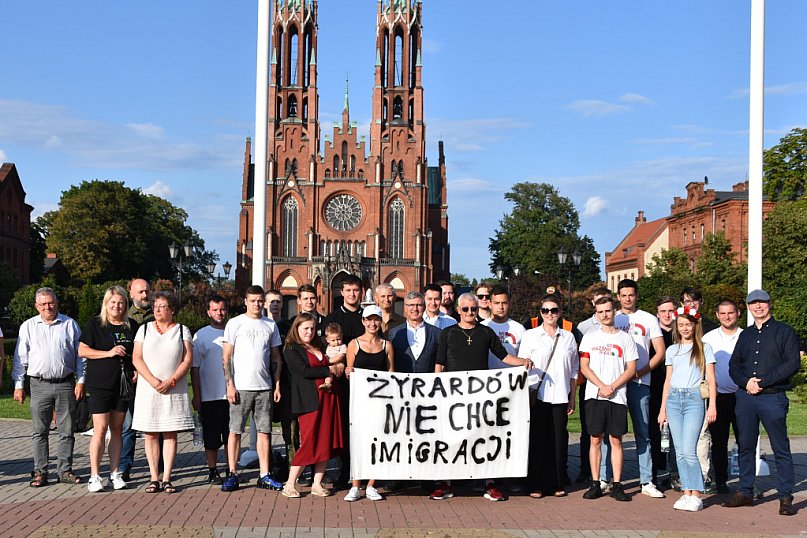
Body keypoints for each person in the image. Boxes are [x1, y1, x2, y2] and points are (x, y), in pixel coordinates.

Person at [432, 293, 532, 502]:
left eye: (474, 309)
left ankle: (489, 483)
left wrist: (522, 361)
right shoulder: (448, 333)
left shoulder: (486, 332)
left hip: (480, 396)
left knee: (484, 439)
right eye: (466, 309)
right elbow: (439, 363)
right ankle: (445, 483)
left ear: (478, 310)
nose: (470, 313)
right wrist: (437, 391)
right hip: (454, 396)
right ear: (459, 310)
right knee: (451, 439)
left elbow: (503, 356)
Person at [723, 290, 800, 516]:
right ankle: (745, 492)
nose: (758, 307)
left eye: (762, 303)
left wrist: (763, 382)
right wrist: (746, 382)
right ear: (748, 307)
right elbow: (734, 365)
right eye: (753, 303)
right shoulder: (745, 335)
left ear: (769, 304)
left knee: (780, 448)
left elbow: (792, 363)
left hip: (772, 397)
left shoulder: (784, 331)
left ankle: (785, 496)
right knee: (745, 445)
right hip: (746, 398)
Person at [12, 287, 84, 487]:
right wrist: (19, 385)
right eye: (43, 304)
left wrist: (81, 381)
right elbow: (20, 359)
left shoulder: (70, 325)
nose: (47, 307)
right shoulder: (28, 327)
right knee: (39, 431)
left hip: (65, 384)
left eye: (50, 302)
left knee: (67, 430)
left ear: (57, 302)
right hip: (39, 384)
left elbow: (81, 356)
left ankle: (65, 471)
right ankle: (40, 472)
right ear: (36, 306)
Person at [221, 285, 284, 493]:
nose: (257, 304)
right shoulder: (235, 323)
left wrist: (276, 385)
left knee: (265, 432)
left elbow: (276, 358)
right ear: (245, 301)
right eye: (253, 300)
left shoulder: (270, 325)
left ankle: (264, 474)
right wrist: (230, 384)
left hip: (264, 387)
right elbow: (226, 356)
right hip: (240, 388)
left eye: (260, 300)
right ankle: (232, 473)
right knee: (235, 431)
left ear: (264, 302)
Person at [131, 291, 194, 494]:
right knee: (150, 433)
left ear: (172, 310)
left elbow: (187, 359)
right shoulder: (144, 329)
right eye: (155, 306)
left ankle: (167, 477)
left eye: (162, 306)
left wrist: (172, 379)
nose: (157, 309)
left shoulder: (183, 331)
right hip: (149, 389)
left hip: (173, 389)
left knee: (169, 433)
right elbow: (137, 358)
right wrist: (153, 381)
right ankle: (153, 478)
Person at [78, 286, 139, 492]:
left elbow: (139, 353)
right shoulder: (96, 324)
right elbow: (82, 350)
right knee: (100, 429)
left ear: (126, 304)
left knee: (118, 430)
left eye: (121, 302)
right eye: (113, 302)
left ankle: (115, 473)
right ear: (106, 304)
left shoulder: (131, 325)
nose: (117, 306)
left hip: (122, 385)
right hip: (100, 383)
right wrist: (108, 353)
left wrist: (137, 370)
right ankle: (95, 475)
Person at [579, 296, 638, 502]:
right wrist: (601, 386)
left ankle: (617, 484)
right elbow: (584, 366)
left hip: (617, 396)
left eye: (608, 310)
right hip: (595, 394)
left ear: (615, 311)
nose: (605, 315)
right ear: (596, 314)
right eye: (601, 311)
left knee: (616, 440)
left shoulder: (625, 338)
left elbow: (631, 368)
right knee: (595, 439)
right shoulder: (590, 337)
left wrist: (612, 386)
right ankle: (595, 483)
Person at [657, 306, 717, 512]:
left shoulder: (704, 348)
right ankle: (686, 492)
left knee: (690, 450)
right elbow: (667, 380)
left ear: (694, 325)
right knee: (680, 451)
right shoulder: (672, 350)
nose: (684, 328)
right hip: (674, 399)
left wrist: (712, 406)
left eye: (688, 324)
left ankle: (697, 493)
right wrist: (662, 409)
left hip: (693, 399)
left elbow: (711, 379)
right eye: (681, 324)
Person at [519, 295, 579, 498]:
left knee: (558, 440)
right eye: (545, 310)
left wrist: (572, 397)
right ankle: (535, 483)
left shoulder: (568, 337)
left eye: (553, 310)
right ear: (540, 313)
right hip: (538, 395)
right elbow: (522, 365)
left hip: (561, 395)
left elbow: (574, 371)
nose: (549, 314)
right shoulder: (531, 335)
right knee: (538, 440)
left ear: (560, 313)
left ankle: (556, 481)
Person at [282, 313, 346, 498]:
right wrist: (328, 369)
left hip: (329, 398)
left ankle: (317, 483)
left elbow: (331, 362)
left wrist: (337, 368)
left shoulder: (318, 345)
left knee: (325, 440)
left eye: (312, 328)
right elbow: (302, 371)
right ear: (297, 329)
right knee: (309, 441)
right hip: (309, 400)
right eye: (305, 329)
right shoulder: (291, 348)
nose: (309, 332)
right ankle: (290, 483)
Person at [613, 279, 666, 498]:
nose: (627, 299)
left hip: (640, 383)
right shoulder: (612, 317)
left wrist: (641, 372)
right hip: (615, 384)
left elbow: (660, 352)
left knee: (643, 433)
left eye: (631, 295)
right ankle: (608, 478)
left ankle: (646, 481)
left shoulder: (648, 319)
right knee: (612, 433)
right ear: (618, 296)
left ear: (636, 296)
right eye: (623, 295)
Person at [343, 305, 395, 502]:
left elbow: (392, 376)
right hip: (359, 403)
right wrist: (349, 373)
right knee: (358, 442)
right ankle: (356, 485)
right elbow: (350, 372)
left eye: (376, 320)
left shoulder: (386, 345)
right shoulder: (354, 344)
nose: (372, 323)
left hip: (380, 403)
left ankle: (372, 484)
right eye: (369, 319)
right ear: (363, 321)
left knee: (378, 442)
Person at [323, 274, 365, 489]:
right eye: (348, 290)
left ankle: (364, 471)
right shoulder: (332, 318)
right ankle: (343, 470)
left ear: (362, 292)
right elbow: (326, 351)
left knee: (362, 427)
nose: (352, 294)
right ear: (342, 292)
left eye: (356, 290)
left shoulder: (366, 318)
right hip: (341, 383)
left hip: (363, 381)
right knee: (342, 427)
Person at [702, 299, 742, 494]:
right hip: (717, 397)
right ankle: (721, 482)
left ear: (738, 314)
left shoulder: (747, 336)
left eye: (731, 313)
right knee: (719, 442)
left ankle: (746, 482)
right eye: (723, 313)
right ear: (717, 315)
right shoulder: (708, 338)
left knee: (746, 441)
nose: (727, 317)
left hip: (742, 396)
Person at [191, 295, 230, 485]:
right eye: (215, 310)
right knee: (211, 436)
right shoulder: (200, 335)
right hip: (209, 395)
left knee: (231, 434)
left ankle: (231, 469)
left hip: (231, 394)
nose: (219, 313)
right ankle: (212, 469)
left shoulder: (233, 332)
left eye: (222, 309)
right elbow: (195, 367)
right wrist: (197, 395)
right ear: (208, 312)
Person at [575, 286, 612, 483]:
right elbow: (580, 359)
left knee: (611, 433)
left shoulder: (618, 325)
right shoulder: (583, 327)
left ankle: (607, 473)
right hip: (590, 384)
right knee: (589, 430)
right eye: (598, 301)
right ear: (592, 303)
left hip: (612, 386)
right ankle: (585, 469)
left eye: (606, 301)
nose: (602, 306)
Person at [120, 278, 154, 482]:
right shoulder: (125, 317)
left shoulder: (157, 314)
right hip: (132, 378)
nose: (145, 295)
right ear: (130, 294)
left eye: (147, 291)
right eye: (140, 292)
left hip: (154, 377)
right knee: (128, 424)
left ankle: (158, 465)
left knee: (155, 425)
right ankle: (125, 465)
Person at [652, 296, 678, 489]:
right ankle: (653, 472)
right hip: (655, 388)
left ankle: (675, 473)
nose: (667, 315)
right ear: (657, 314)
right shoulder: (653, 335)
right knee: (655, 433)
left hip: (678, 390)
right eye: (663, 311)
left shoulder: (683, 332)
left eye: (671, 311)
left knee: (675, 435)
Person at [388, 291, 441, 373]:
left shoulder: (437, 333)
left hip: (428, 384)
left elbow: (440, 363)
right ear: (405, 308)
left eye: (419, 305)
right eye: (411, 305)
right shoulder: (394, 333)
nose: (415, 309)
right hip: (401, 383)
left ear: (424, 307)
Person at [481, 286, 526, 369]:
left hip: (513, 379)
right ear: (490, 304)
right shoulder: (482, 327)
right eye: (497, 303)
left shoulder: (519, 329)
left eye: (504, 303)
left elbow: (525, 358)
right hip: (488, 379)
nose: (501, 307)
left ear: (509, 304)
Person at [321, 323, 347, 391]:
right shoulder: (328, 347)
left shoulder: (343, 346)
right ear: (327, 340)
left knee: (329, 369)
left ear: (342, 336)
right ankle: (327, 384)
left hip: (339, 365)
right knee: (328, 372)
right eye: (333, 340)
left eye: (338, 339)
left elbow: (340, 357)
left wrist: (329, 361)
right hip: (330, 365)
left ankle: (327, 384)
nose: (336, 342)